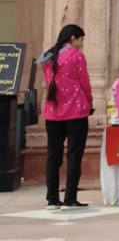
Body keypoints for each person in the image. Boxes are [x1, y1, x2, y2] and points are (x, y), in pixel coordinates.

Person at [39, 24, 93, 210]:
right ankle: (70, 198)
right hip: (75, 112)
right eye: (81, 39)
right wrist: (89, 101)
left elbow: (49, 82)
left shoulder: (47, 57)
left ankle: (52, 199)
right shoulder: (77, 56)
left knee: (53, 156)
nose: (82, 43)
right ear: (72, 39)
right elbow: (84, 83)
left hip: (53, 112)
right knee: (74, 155)